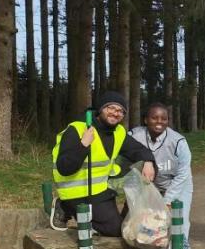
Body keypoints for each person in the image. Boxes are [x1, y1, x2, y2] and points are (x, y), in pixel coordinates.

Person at [52, 91, 156, 236]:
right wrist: (83, 145)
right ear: (100, 109)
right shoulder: (77, 129)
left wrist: (148, 162)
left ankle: (91, 220)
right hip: (74, 193)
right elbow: (64, 167)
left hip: (98, 192)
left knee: (116, 230)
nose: (116, 113)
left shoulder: (118, 132)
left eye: (121, 111)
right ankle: (64, 207)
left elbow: (137, 149)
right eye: (111, 108)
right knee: (111, 230)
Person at [129, 103, 193, 249]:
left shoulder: (178, 141)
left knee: (178, 224)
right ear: (145, 120)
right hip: (150, 185)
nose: (159, 122)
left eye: (163, 119)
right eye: (154, 118)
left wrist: (168, 200)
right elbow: (126, 160)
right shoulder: (135, 135)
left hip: (178, 184)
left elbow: (183, 173)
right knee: (152, 225)